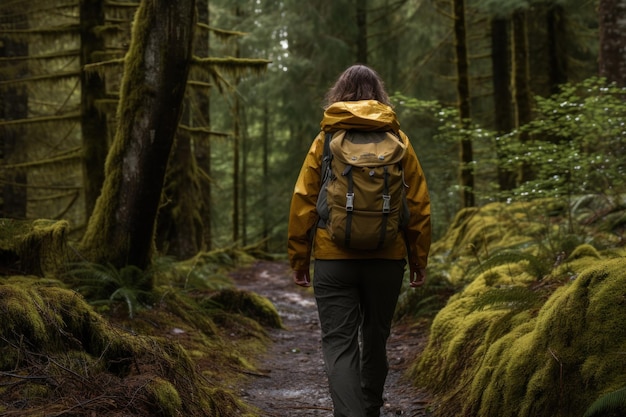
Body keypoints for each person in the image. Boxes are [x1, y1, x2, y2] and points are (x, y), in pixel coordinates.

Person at [287, 64, 432, 417]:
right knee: (376, 338)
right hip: (387, 257)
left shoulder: (326, 139)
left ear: (340, 94)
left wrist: (299, 259)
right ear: (379, 95)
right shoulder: (398, 139)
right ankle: (369, 409)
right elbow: (418, 204)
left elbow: (303, 200)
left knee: (339, 343)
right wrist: (418, 261)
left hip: (334, 257)